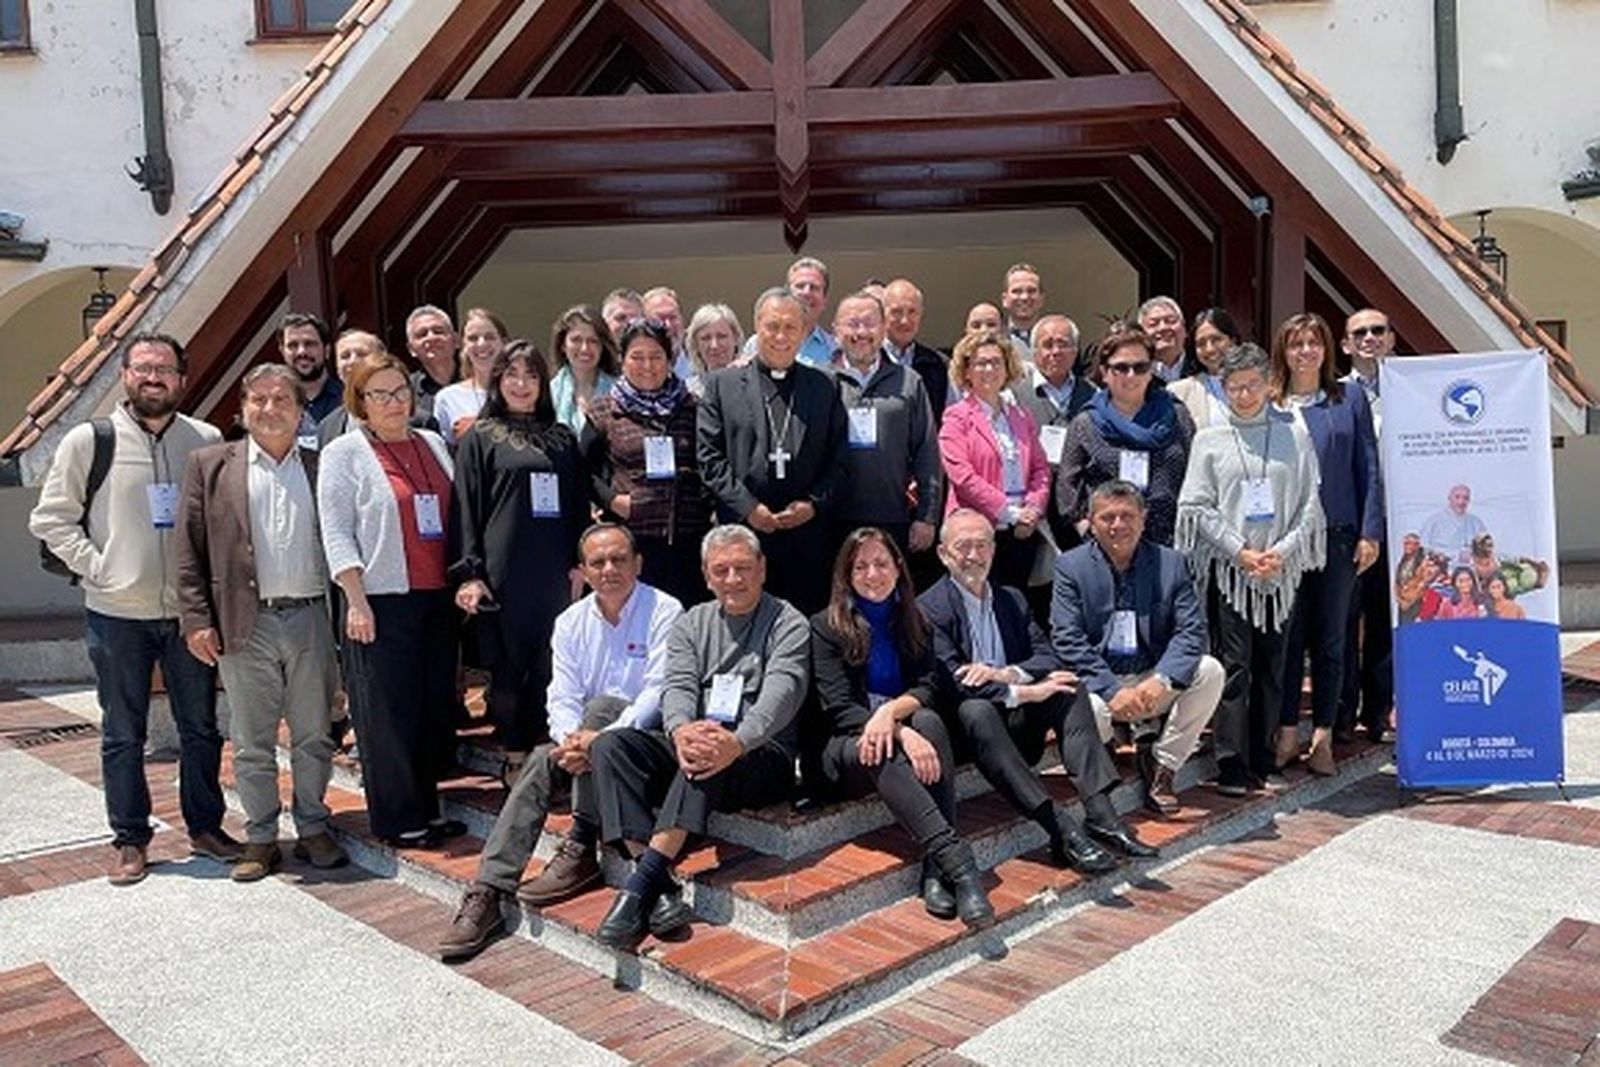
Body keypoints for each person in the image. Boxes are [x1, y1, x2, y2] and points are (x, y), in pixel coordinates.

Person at [29, 333, 238, 885]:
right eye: (143, 367)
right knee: (123, 732)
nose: (153, 377)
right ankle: (130, 838)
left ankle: (205, 826)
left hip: (189, 616)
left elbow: (220, 523)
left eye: (164, 369)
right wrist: (98, 567)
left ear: (182, 379)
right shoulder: (88, 441)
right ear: (124, 375)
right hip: (116, 614)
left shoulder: (207, 438)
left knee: (200, 728)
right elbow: (50, 519)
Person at [437, 524, 683, 961]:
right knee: (538, 760)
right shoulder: (570, 622)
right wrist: (571, 740)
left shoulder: (665, 610)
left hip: (643, 748)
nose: (609, 569)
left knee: (605, 708)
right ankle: (489, 890)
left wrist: (598, 738)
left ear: (638, 563)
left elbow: (657, 693)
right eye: (597, 562)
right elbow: (561, 694)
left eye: (619, 559)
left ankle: (582, 838)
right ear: (582, 572)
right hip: (587, 744)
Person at [589, 525, 809, 947]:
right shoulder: (692, 622)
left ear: (762, 569)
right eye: (721, 570)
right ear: (706, 576)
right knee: (610, 744)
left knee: (709, 753)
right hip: (698, 742)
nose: (733, 579)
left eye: (743, 567)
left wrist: (736, 741)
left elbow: (781, 695)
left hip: (761, 751)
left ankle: (641, 885)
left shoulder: (788, 621)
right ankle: (659, 883)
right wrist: (680, 730)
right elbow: (679, 686)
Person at [174, 364, 346, 882]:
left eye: (281, 400)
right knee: (252, 738)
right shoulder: (210, 465)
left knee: (315, 732)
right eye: (258, 400)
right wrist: (196, 619)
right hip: (243, 623)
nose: (270, 409)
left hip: (312, 615)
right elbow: (188, 550)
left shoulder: (320, 466)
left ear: (299, 412)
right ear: (242, 409)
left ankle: (313, 824)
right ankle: (262, 835)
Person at [919, 509, 1144, 871]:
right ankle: (1062, 830)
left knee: (1069, 687)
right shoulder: (928, 609)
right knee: (976, 709)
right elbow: (952, 684)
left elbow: (1046, 655)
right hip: (967, 733)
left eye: (981, 545)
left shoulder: (1012, 599)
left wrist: (1008, 673)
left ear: (994, 550)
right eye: (963, 546)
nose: (973, 555)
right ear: (944, 554)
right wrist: (1027, 693)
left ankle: (1101, 815)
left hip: (1015, 724)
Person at [809, 528, 994, 927]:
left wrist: (892, 715)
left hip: (896, 725)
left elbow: (927, 686)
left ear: (897, 568)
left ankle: (934, 868)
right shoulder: (826, 626)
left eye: (881, 563)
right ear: (846, 574)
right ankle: (960, 866)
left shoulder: (916, 620)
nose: (872, 574)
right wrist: (897, 729)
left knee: (929, 719)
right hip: (842, 750)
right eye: (860, 566)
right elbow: (839, 708)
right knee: (881, 745)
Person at [318, 352, 464, 847]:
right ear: (361, 401)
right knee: (387, 712)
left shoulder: (433, 443)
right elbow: (335, 531)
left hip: (436, 596)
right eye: (380, 394)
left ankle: (429, 807)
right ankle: (399, 818)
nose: (394, 403)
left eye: (400, 391)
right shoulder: (345, 452)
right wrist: (354, 600)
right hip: (379, 600)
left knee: (429, 707)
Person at [1176, 342, 1325, 795]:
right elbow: (1196, 506)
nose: (1244, 395)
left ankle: (1264, 758)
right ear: (1223, 389)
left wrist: (1282, 550)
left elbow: (1309, 503)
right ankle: (1232, 763)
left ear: (1268, 384)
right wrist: (1239, 551)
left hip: (1279, 572)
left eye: (1252, 386)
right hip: (1233, 572)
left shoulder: (1293, 436)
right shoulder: (1210, 440)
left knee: (1275, 666)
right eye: (1235, 387)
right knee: (1235, 667)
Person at [1051, 482, 1224, 815]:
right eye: (1108, 517)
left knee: (1210, 671)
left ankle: (1163, 766)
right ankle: (1106, 751)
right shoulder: (1070, 567)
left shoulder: (1171, 563)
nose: (1118, 525)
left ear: (1143, 519)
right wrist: (1111, 688)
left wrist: (1162, 678)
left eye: (1127, 515)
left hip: (1150, 679)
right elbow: (1067, 638)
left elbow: (1191, 630)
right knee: (1085, 704)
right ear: (1091, 521)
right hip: (1101, 682)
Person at [453, 342, 590, 763]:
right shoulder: (480, 436)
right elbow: (465, 507)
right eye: (511, 374)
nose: (521, 384)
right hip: (502, 572)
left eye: (531, 376)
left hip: (553, 571)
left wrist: (578, 564)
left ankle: (549, 759)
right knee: (509, 670)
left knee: (552, 666)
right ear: (497, 380)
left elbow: (576, 505)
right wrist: (470, 573)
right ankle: (514, 756)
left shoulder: (562, 437)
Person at [1270, 313, 1382, 775]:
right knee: (1289, 638)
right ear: (1284, 351)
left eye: (1313, 343)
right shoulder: (1271, 403)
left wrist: (1369, 531)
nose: (1305, 352)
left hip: (1337, 534)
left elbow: (1369, 467)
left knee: (1332, 639)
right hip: (1286, 540)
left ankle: (1323, 737)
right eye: (1296, 344)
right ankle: (1286, 733)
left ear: (1326, 349)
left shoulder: (1347, 397)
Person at [697, 286, 847, 615]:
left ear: (804, 331)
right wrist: (749, 508)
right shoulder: (721, 386)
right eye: (772, 326)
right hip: (744, 535)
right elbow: (709, 459)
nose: (781, 336)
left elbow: (839, 459)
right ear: (756, 327)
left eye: (790, 327)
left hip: (807, 538)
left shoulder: (824, 386)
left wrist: (812, 504)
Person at [582, 319, 713, 606]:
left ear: (670, 359)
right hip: (633, 541)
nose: (647, 365)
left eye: (656, 356)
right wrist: (612, 500)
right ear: (622, 359)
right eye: (637, 357)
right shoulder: (604, 410)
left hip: (687, 539)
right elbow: (582, 471)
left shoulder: (692, 406)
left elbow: (710, 462)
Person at [939, 330, 1051, 605]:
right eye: (980, 363)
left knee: (1017, 606)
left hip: (1021, 533)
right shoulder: (956, 417)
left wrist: (1033, 510)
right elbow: (962, 476)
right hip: (976, 533)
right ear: (966, 371)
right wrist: (1010, 512)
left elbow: (1040, 470)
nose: (989, 369)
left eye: (996, 362)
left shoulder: (1021, 415)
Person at [1057, 324, 1194, 548]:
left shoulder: (1177, 415)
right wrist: (1085, 527)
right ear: (1104, 372)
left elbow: (1195, 474)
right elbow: (1067, 484)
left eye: (1140, 367)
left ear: (1151, 370)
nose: (1131, 375)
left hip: (1168, 542)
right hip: (1107, 544)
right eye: (1121, 367)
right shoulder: (1086, 423)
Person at [827, 290, 941, 559]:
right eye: (853, 323)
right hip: (832, 521)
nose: (861, 332)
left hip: (893, 518)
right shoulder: (819, 382)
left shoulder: (909, 382)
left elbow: (927, 450)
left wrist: (927, 516)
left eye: (869, 323)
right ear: (835, 330)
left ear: (883, 328)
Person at [1338, 307, 1396, 742]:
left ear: (1391, 339)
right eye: (1360, 332)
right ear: (1345, 344)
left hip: (1397, 524)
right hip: (1350, 526)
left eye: (1378, 330)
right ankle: (1341, 713)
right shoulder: (1334, 396)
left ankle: (1377, 712)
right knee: (1342, 622)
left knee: (1384, 622)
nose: (1369, 338)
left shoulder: (1411, 392)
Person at [432, 308, 507, 446]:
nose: (481, 344)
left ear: (503, 342)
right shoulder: (447, 398)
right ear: (463, 345)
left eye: (489, 337)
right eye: (473, 338)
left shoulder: (520, 391)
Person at [882, 278, 953, 421]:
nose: (905, 320)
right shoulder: (869, 361)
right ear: (883, 313)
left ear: (921, 314)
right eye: (897, 312)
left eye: (912, 312)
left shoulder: (938, 364)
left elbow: (949, 416)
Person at [550, 304, 619, 436]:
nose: (584, 349)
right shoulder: (548, 393)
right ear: (563, 345)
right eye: (576, 340)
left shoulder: (619, 393)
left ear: (602, 346)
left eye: (593, 341)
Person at [1167, 307, 1241, 430]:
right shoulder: (1179, 392)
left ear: (1233, 340)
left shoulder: (1261, 384)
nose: (1209, 349)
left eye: (1216, 339)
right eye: (1201, 343)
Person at [278, 312, 341, 444]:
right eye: (293, 345)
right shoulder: (273, 406)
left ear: (327, 351)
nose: (302, 352)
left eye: (310, 344)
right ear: (282, 352)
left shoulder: (348, 400)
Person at [317, 329, 384, 448]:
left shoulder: (415, 420)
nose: (352, 362)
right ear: (337, 367)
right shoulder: (326, 428)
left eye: (362, 354)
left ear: (382, 360)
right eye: (345, 356)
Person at [404, 305, 458, 430]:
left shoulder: (480, 380)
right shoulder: (405, 391)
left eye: (438, 331)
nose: (431, 338)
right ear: (411, 349)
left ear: (456, 340)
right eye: (422, 334)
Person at [682, 302, 745, 397]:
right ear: (696, 344)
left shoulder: (753, 384)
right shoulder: (687, 392)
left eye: (722, 336)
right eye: (706, 338)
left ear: (735, 338)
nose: (714, 345)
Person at [1419, 484, 1489, 563]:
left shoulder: (1476, 523)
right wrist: (1455, 555)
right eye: (1457, 497)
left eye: (1465, 498)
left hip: (1470, 570)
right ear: (1449, 498)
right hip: (1442, 569)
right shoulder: (1434, 521)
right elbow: (1424, 548)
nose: (1461, 502)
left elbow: (1485, 547)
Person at [786, 256, 836, 366]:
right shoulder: (759, 343)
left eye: (814, 287)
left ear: (824, 301)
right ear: (786, 295)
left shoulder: (834, 349)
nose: (806, 293)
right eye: (800, 286)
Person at [1136, 296, 1187, 383]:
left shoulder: (1201, 368)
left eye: (1170, 321)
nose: (1163, 328)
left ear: (1184, 329)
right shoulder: (1135, 373)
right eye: (1153, 324)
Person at [1001, 263, 1044, 361]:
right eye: (1017, 291)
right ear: (1004, 299)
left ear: (1041, 298)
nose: (1025, 297)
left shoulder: (1056, 340)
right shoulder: (996, 339)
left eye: (1031, 291)